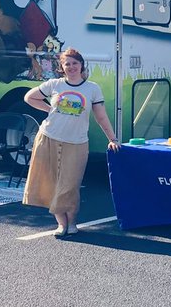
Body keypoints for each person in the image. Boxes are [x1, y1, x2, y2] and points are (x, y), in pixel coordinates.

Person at [23, 47, 119, 236]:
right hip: (49, 137)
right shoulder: (55, 84)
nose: (71, 67)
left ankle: (72, 222)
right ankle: (61, 224)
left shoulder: (92, 88)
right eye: (67, 63)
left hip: (76, 143)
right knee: (52, 183)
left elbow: (101, 117)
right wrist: (48, 109)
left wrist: (113, 138)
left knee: (70, 185)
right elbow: (29, 97)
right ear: (62, 66)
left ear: (82, 65)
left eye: (75, 63)